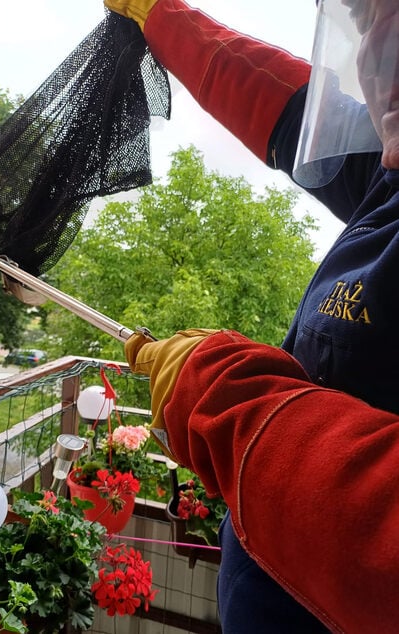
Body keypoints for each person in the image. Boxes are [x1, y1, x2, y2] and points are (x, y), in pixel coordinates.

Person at [104, 0, 399, 631]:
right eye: (368, 18)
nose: (378, 55)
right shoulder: (390, 182)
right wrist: (161, 17)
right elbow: (289, 112)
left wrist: (219, 394)